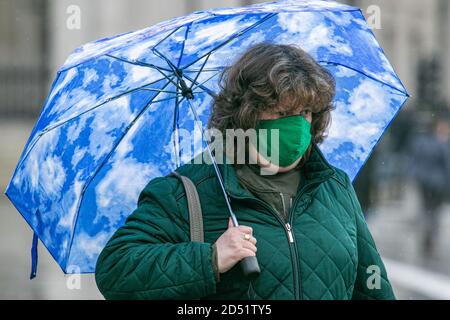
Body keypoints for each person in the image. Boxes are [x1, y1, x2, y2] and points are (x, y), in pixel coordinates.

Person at [95, 43, 395, 300]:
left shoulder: (334, 186)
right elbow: (116, 269)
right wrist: (210, 259)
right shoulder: (187, 191)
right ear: (247, 115)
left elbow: (372, 287)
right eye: (281, 113)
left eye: (304, 112)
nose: (297, 126)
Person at [407, 114, 450, 256]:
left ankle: (427, 232)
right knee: (434, 211)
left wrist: (414, 175)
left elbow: (414, 161)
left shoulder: (420, 141)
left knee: (426, 209)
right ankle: (430, 235)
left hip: (424, 181)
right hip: (437, 184)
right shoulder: (442, 144)